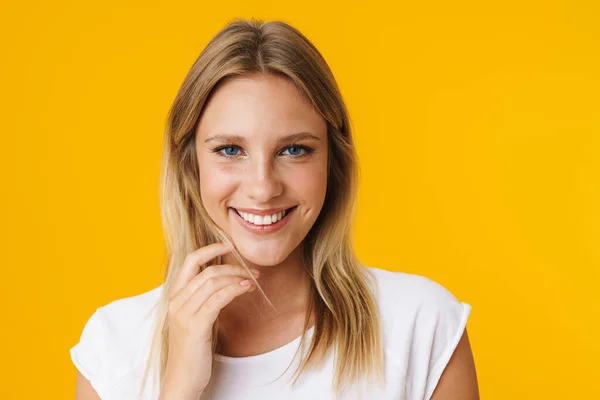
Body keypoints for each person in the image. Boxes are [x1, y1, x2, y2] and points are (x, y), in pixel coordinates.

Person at [70, 18, 479, 400]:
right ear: (189, 165)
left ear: (331, 164)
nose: (263, 188)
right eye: (230, 150)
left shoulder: (421, 326)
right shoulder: (113, 347)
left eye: (294, 150)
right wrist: (178, 386)